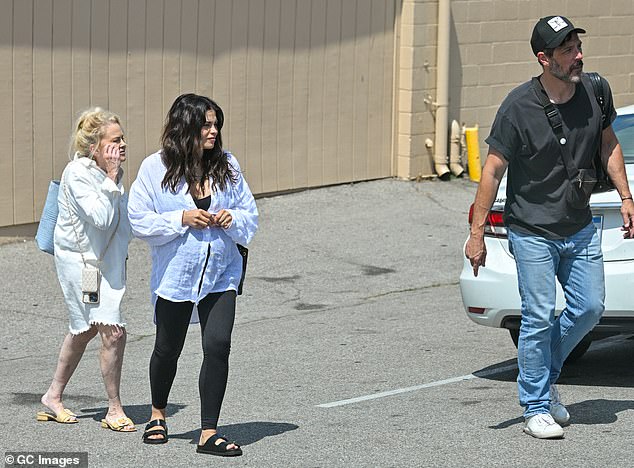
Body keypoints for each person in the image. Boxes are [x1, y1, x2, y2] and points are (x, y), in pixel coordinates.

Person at [465, 15, 634, 439]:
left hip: (578, 226)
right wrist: (477, 232)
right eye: (567, 50)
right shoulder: (518, 107)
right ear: (544, 59)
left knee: (590, 308)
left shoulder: (595, 91)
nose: (578, 56)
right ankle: (536, 404)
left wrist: (626, 197)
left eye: (578, 46)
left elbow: (609, 143)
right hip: (532, 231)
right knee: (538, 316)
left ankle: (542, 377)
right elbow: (492, 170)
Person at [128, 93, 258, 456]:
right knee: (168, 349)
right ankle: (157, 413)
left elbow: (251, 214)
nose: (214, 131)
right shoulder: (154, 169)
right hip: (177, 275)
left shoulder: (227, 165)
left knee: (218, 346)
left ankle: (208, 432)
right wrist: (180, 218)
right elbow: (138, 219)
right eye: (206, 124)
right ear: (186, 127)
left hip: (221, 273)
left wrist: (234, 220)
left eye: (217, 124)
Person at [38, 108, 135, 432]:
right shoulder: (78, 173)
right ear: (95, 145)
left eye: (122, 139)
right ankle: (114, 409)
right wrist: (111, 177)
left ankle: (53, 397)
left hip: (104, 263)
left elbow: (121, 219)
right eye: (115, 140)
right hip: (81, 265)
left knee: (84, 329)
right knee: (113, 330)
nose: (122, 145)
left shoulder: (111, 172)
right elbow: (103, 218)